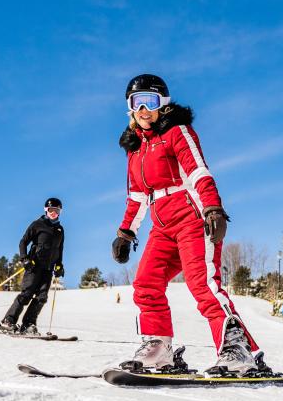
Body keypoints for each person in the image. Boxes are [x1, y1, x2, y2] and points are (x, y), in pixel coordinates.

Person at [112, 74, 263, 375]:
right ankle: (158, 348)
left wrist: (213, 208)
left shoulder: (177, 132)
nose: (144, 110)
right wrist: (126, 232)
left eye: (150, 102)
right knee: (146, 283)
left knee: (202, 283)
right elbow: (138, 196)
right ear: (129, 108)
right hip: (162, 225)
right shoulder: (135, 149)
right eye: (136, 103)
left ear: (162, 105)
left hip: (191, 218)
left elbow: (197, 171)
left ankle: (238, 350)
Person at [0, 198, 65, 336]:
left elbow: (60, 249)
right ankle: (8, 321)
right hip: (34, 266)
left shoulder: (59, 230)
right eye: (51, 210)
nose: (53, 213)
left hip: (48, 269)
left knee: (42, 297)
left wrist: (59, 265)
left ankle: (28, 324)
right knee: (26, 294)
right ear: (46, 210)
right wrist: (25, 259)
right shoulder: (37, 224)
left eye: (56, 210)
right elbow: (23, 242)